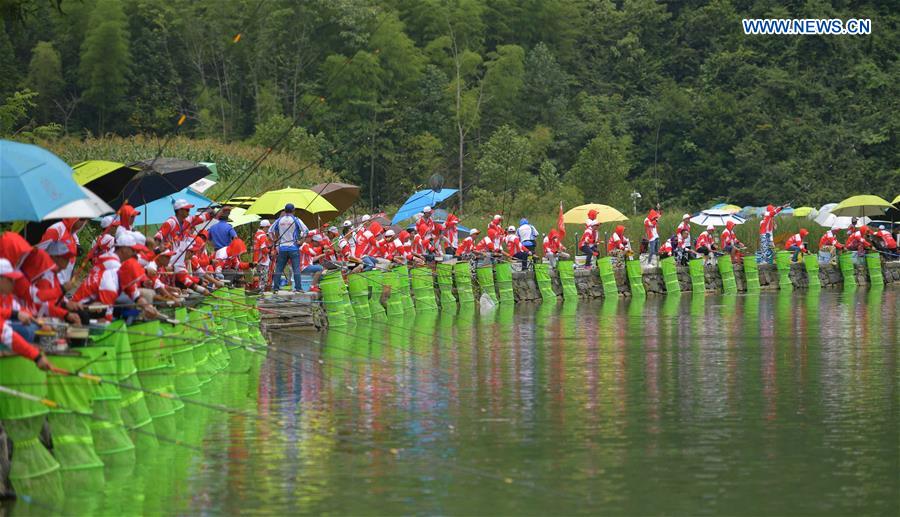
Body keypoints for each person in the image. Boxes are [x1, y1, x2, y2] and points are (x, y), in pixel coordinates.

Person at [37, 217, 86, 287]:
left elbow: (70, 262)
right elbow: (39, 253)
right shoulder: (57, 229)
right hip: (46, 282)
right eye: (82, 219)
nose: (83, 223)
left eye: (86, 220)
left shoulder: (75, 238)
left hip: (60, 287)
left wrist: (71, 276)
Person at [270, 203, 309, 291]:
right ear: (293, 211)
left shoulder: (279, 220)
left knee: (279, 268)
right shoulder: (295, 219)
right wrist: (301, 241)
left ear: (285, 210)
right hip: (293, 247)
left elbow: (270, 231)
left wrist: (275, 240)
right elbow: (306, 230)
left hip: (282, 247)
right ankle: (298, 288)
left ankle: (276, 287)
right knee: (296, 269)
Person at [253, 220, 272, 290]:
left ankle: (257, 289)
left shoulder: (256, 234)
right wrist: (270, 252)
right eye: (268, 227)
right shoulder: (263, 235)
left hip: (256, 259)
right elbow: (263, 248)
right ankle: (261, 292)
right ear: (265, 227)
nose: (268, 229)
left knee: (258, 277)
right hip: (263, 260)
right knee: (263, 277)